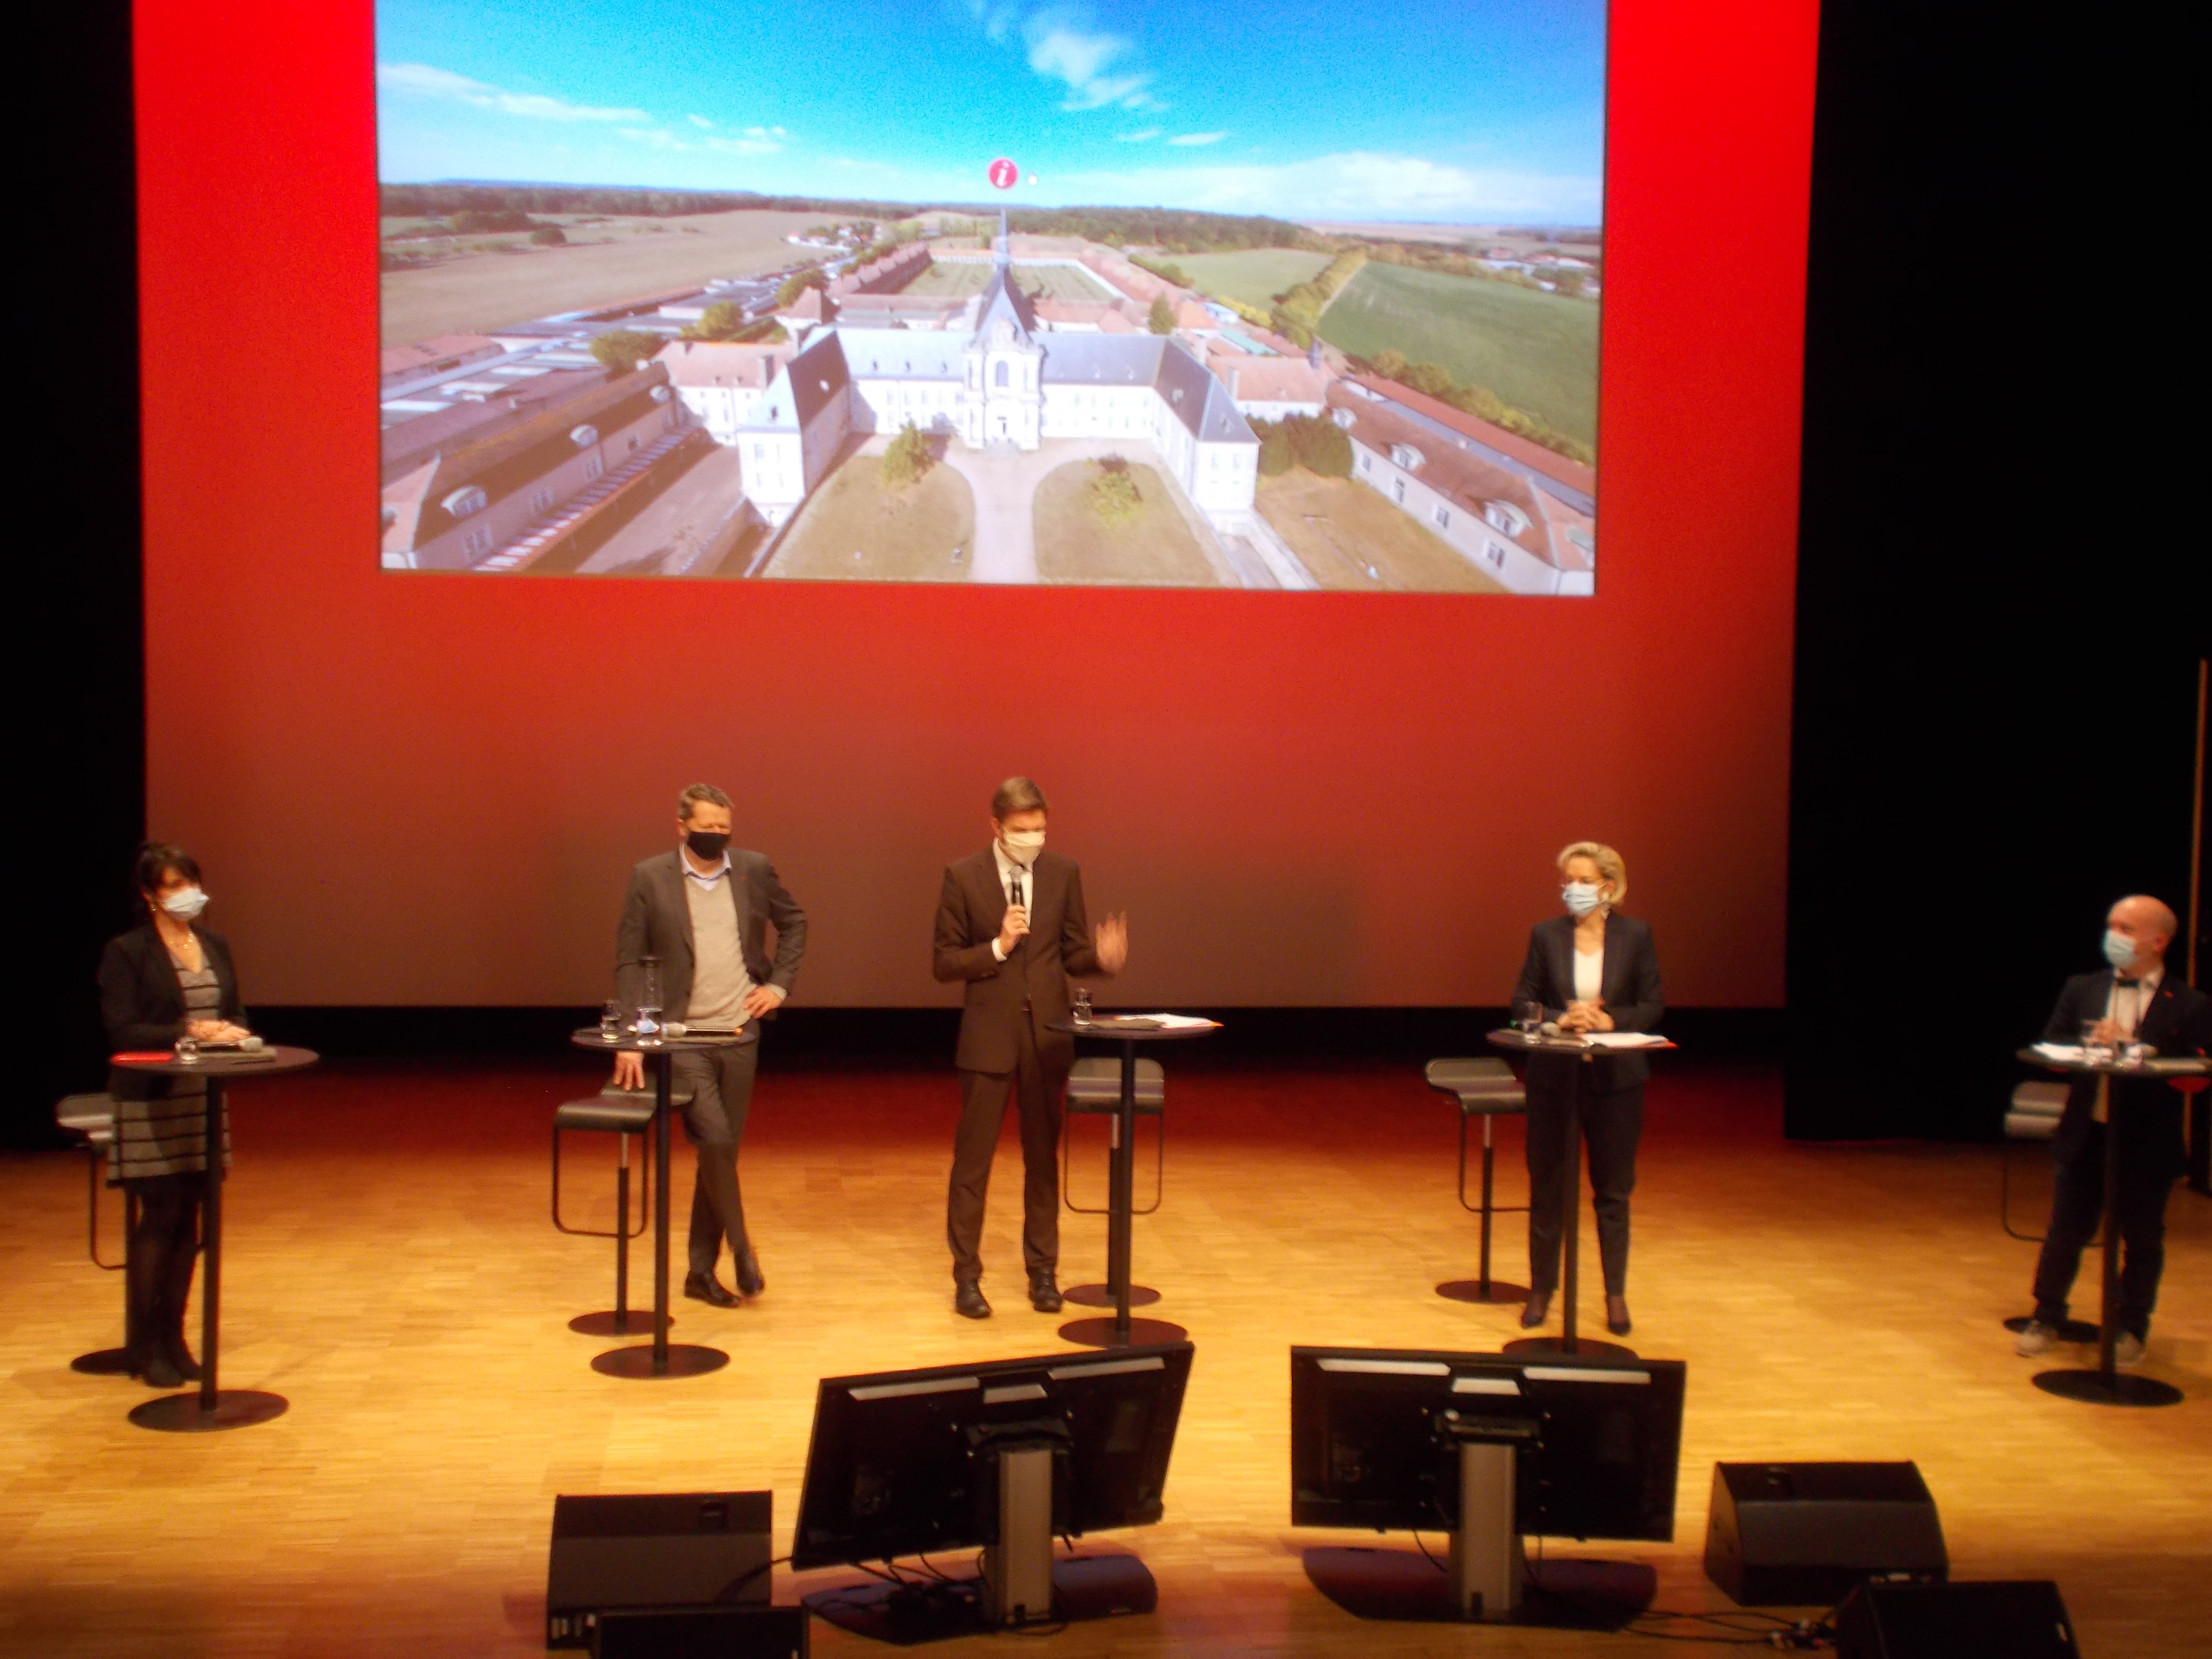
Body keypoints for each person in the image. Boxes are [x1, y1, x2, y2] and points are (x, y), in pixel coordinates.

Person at [933, 776, 1128, 1319]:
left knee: (1043, 1161)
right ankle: (967, 1277)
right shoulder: (963, 876)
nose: (1033, 839)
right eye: (1022, 831)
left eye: (1040, 828)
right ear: (996, 827)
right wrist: (997, 946)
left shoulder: (1063, 873)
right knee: (973, 1163)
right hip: (988, 1036)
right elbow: (944, 962)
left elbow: (1071, 952)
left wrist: (1102, 960)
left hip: (1047, 1037)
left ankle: (1043, 1273)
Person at [611, 784, 806, 1308]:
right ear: (681, 826)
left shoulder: (752, 869)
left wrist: (779, 986)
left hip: (739, 1033)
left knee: (721, 1156)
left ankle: (700, 1272)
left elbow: (794, 923)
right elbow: (630, 958)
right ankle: (741, 1248)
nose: (715, 835)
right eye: (706, 826)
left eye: (723, 827)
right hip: (682, 1040)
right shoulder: (650, 878)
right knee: (716, 1142)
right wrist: (631, 1036)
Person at [2015, 896, 2211, 1366]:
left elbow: (2196, 1075)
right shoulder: (2082, 988)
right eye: (2111, 926)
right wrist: (2090, 1045)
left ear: (2158, 941)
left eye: (2126, 928)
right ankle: (2047, 1315)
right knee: (2066, 1231)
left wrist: (2140, 1052)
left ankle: (2131, 1328)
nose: (2114, 937)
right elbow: (2053, 1046)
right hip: (2088, 1132)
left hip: (2146, 1143)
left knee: (2142, 1240)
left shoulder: (2189, 1003)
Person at [97, 843, 252, 1388]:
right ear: (148, 895)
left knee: (192, 1220)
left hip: (201, 1098)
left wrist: (231, 1032)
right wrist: (189, 1030)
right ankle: (144, 1346)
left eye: (191, 882)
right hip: (151, 1100)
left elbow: (232, 1010)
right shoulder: (127, 952)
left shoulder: (215, 944)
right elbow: (124, 1030)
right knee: (159, 1219)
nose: (187, 894)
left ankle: (175, 1338)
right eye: (172, 886)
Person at [1510, 840, 1664, 1337]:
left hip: (1616, 1083)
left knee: (1613, 1191)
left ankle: (1615, 1295)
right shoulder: (1546, 936)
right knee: (1548, 1188)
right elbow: (1523, 1002)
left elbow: (1652, 1004)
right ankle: (1542, 1291)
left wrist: (1609, 1018)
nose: (1572, 890)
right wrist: (1562, 1018)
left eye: (1583, 881)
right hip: (1556, 1080)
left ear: (1609, 887)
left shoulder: (1637, 936)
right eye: (1567, 882)